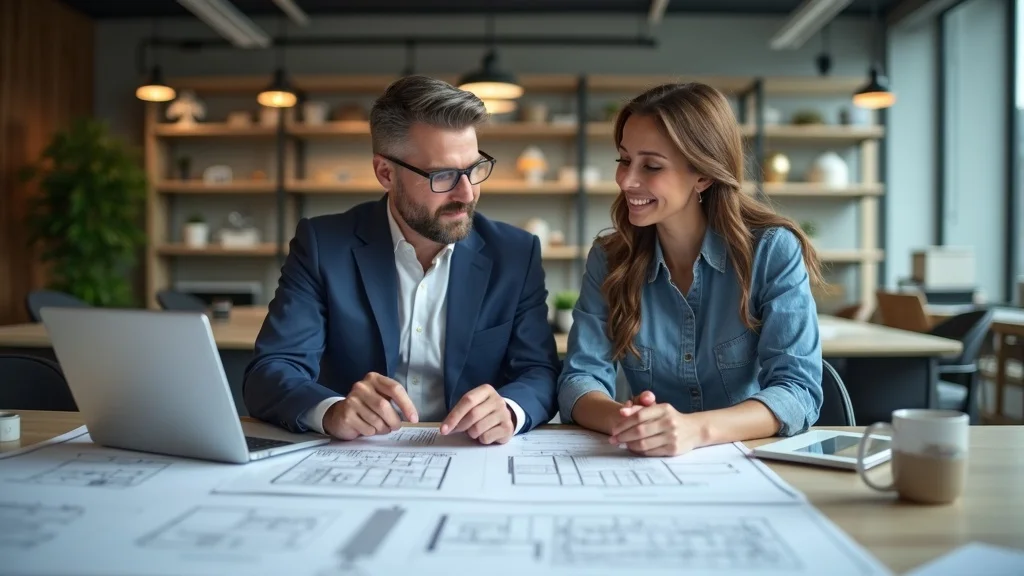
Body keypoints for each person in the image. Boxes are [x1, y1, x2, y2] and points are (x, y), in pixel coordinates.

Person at [243, 75, 560, 445]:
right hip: (355, 457)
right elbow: (270, 371)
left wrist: (508, 408)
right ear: (385, 172)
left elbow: (540, 372)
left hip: (470, 457)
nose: (467, 192)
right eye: (443, 175)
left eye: (474, 169)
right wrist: (330, 410)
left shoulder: (515, 254)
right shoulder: (323, 246)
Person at [557, 82, 825, 457]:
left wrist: (693, 430)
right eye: (623, 160)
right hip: (643, 463)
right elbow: (578, 381)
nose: (626, 180)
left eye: (651, 166)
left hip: (746, 461)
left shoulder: (771, 251)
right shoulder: (609, 257)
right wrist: (629, 422)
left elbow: (798, 391)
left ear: (703, 175)